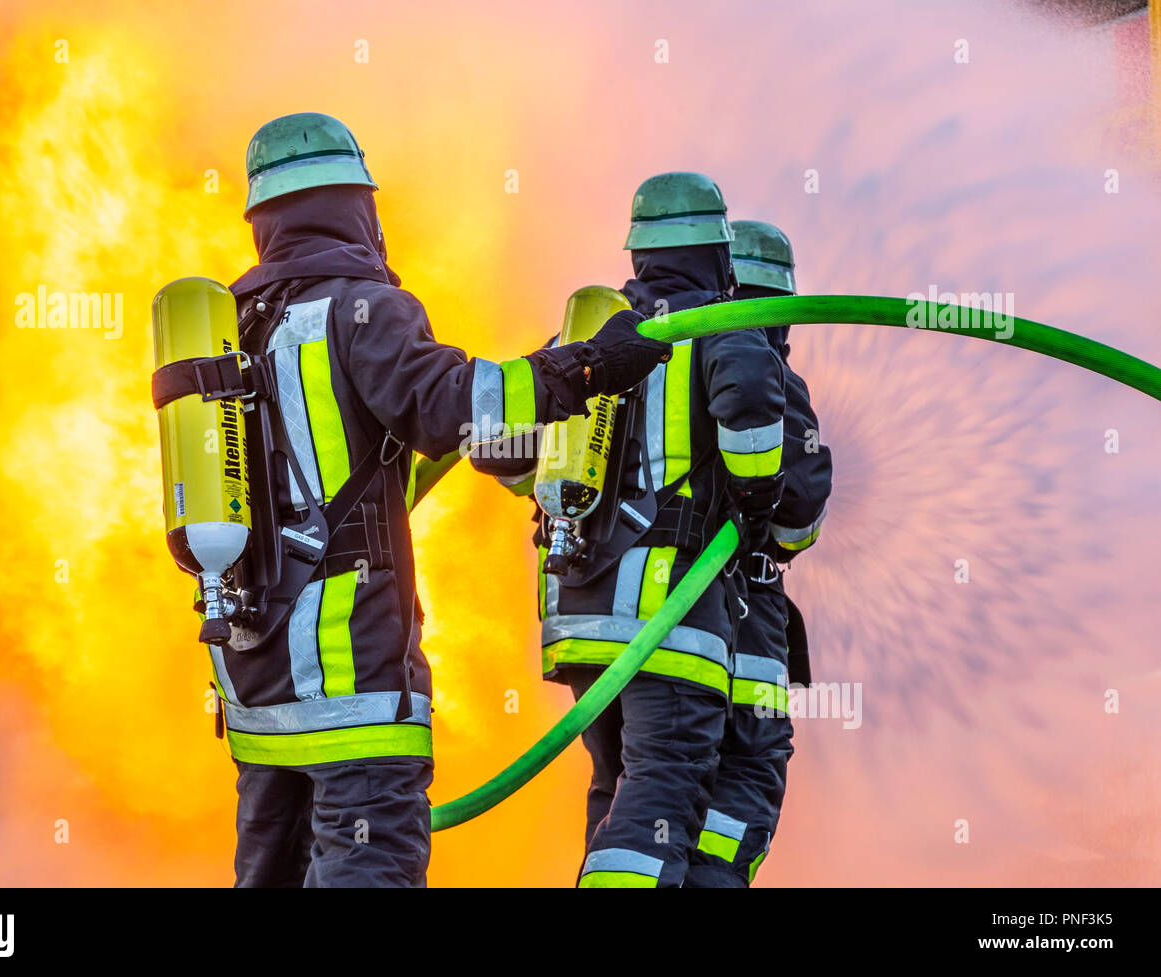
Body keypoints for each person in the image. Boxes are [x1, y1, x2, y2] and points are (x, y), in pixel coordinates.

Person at [215, 113, 671, 887]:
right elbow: (463, 405)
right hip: (352, 687)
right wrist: (592, 367)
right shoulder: (362, 308)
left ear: (264, 223)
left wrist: (529, 441)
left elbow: (441, 430)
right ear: (358, 206)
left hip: (257, 698)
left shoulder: (236, 327)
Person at [475, 173, 787, 887]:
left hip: (580, 620)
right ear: (718, 253)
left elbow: (495, 444)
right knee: (663, 788)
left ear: (639, 252)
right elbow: (751, 406)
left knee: (617, 794)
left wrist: (562, 491)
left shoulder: (588, 334)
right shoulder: (720, 328)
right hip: (667, 620)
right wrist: (753, 503)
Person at [685, 220, 833, 887]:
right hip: (740, 623)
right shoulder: (766, 370)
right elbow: (799, 512)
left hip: (643, 622)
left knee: (648, 786)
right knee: (745, 771)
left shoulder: (655, 355)